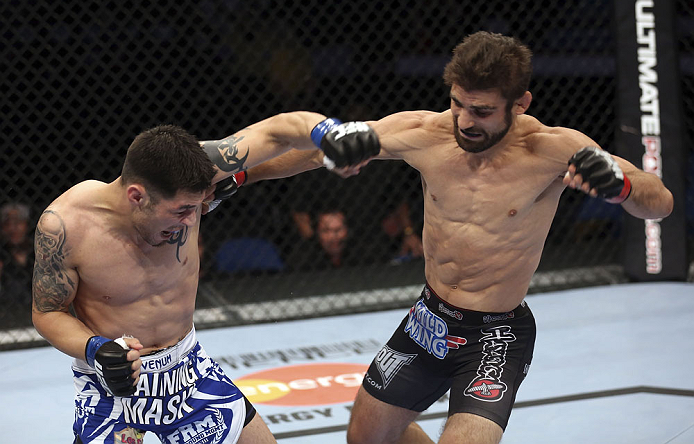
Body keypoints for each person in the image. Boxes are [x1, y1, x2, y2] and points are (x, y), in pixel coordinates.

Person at [243, 31, 673, 443]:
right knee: (365, 436)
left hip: (497, 333)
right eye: (458, 105)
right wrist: (240, 176)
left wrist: (622, 187)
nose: (465, 121)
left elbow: (660, 201)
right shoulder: (426, 133)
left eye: (482, 111)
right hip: (430, 318)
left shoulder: (553, 150)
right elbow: (315, 152)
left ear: (519, 103)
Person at [31, 113, 379, 444]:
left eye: (195, 207)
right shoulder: (66, 225)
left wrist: (330, 134)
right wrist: (97, 350)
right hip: (112, 382)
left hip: (187, 370)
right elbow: (47, 312)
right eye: (181, 210)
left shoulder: (195, 174)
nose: (190, 221)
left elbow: (279, 132)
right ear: (136, 196)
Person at [0, 202, 34, 326]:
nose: (13, 228)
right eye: (7, 223)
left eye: (18, 222)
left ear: (26, 224)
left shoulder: (38, 250)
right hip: (7, 316)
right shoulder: (2, 253)